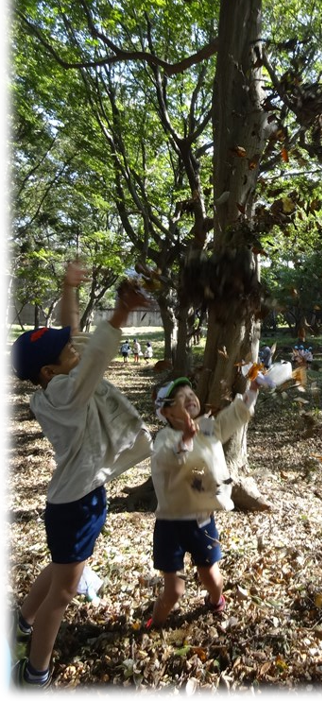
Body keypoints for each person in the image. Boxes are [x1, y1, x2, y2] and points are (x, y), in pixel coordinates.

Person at [6, 262, 153, 699]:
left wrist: (69, 287)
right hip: (76, 505)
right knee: (65, 592)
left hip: (78, 498)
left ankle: (19, 622)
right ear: (50, 372)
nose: (74, 348)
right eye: (65, 352)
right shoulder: (67, 393)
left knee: (61, 565)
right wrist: (120, 316)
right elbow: (97, 355)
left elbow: (71, 337)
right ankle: (33, 675)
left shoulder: (55, 384)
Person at [148, 375, 261, 628]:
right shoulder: (164, 440)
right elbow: (172, 459)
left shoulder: (207, 427)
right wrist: (186, 438)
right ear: (166, 411)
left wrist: (252, 390)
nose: (190, 398)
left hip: (202, 521)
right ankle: (155, 624)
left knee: (211, 577)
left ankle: (214, 599)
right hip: (170, 526)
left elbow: (234, 416)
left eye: (191, 393)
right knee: (174, 590)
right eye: (180, 397)